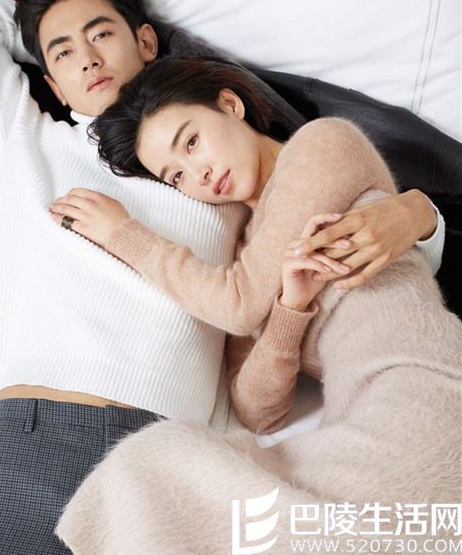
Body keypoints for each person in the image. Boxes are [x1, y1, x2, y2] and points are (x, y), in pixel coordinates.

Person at [0, 0, 446, 553]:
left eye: (101, 34)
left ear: (147, 40)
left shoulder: (226, 176)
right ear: (53, 85)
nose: (86, 58)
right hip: (35, 432)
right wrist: (35, 30)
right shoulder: (29, 144)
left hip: (168, 456)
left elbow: (338, 218)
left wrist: (418, 215)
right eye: (63, 54)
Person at [49, 58, 457, 434]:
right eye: (176, 177)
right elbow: (258, 413)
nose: (198, 174)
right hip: (363, 414)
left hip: (422, 381)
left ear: (230, 104)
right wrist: (288, 312)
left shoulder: (322, 145)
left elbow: (238, 306)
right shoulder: (245, 259)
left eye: (191, 143)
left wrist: (124, 235)